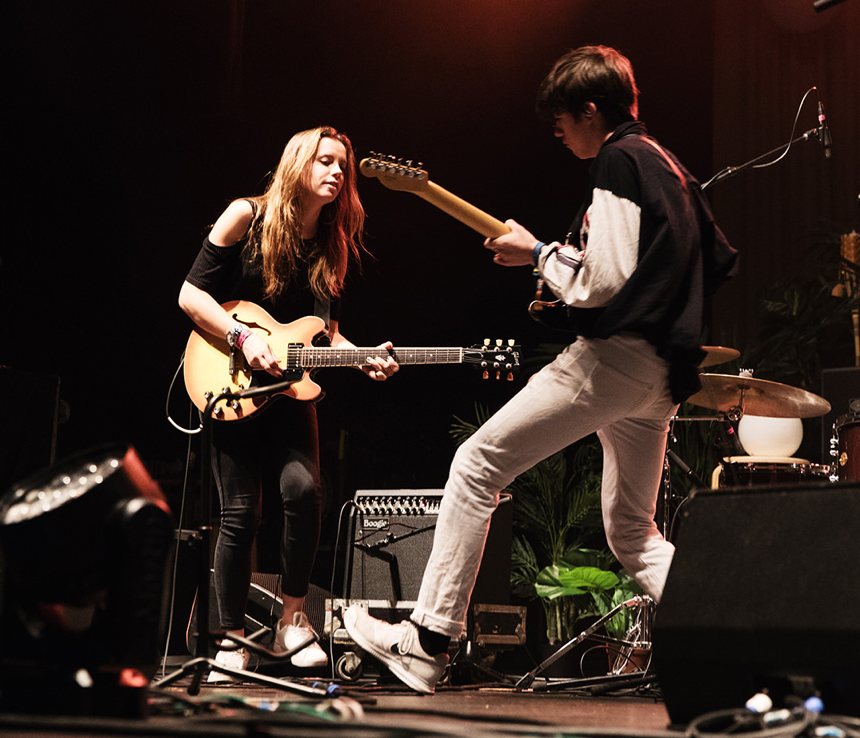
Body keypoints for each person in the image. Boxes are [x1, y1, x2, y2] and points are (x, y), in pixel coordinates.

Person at [344, 45, 738, 693]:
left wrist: (540, 253)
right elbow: (712, 262)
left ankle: (428, 640)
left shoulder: (618, 158)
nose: (557, 133)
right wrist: (552, 267)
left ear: (590, 109)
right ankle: (740, 629)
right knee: (635, 534)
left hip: (613, 358)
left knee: (476, 465)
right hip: (661, 374)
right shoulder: (670, 168)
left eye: (562, 119)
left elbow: (603, 282)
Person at [179, 126, 399, 681]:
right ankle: (229, 639)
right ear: (299, 162)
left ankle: (292, 622)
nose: (337, 172)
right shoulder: (244, 217)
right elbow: (190, 294)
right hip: (232, 381)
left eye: (343, 166)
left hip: (292, 389)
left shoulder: (332, 244)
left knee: (305, 493)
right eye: (326, 161)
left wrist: (362, 356)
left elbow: (327, 335)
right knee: (241, 512)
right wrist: (243, 336)